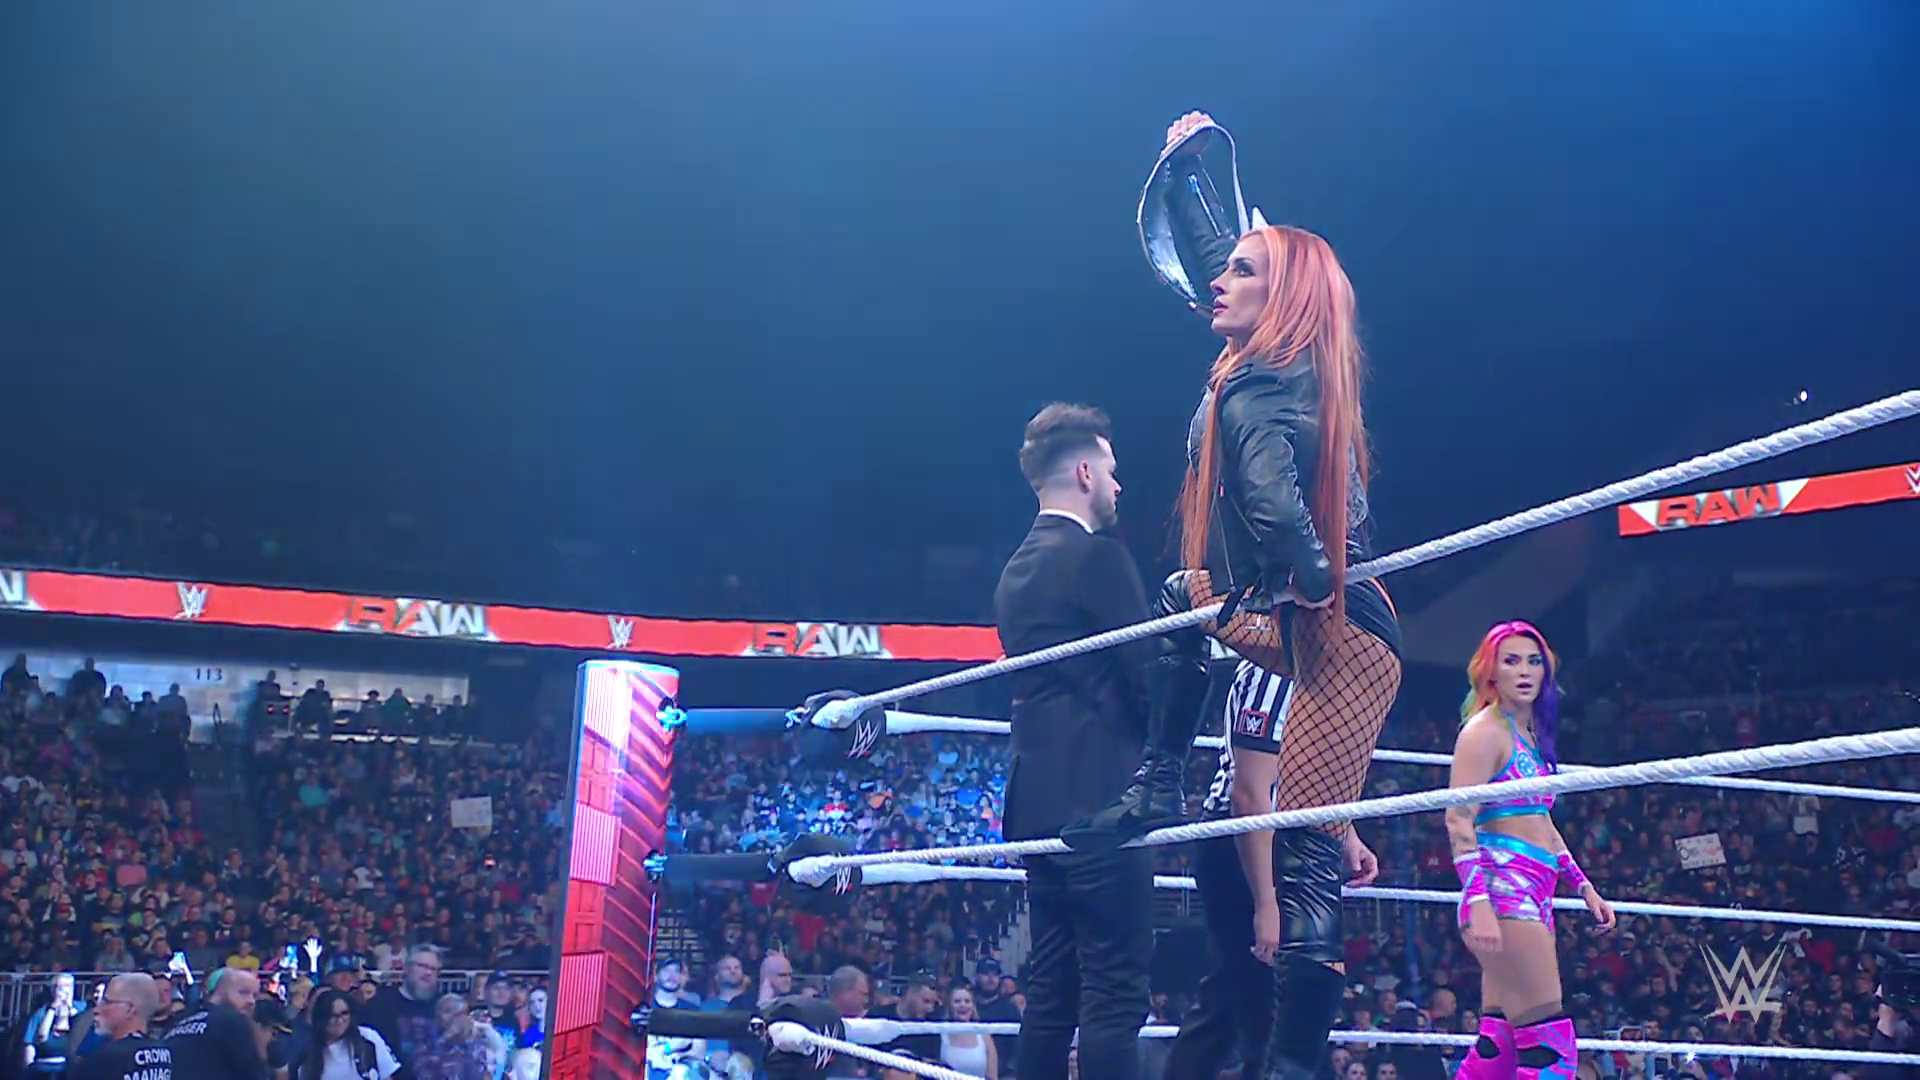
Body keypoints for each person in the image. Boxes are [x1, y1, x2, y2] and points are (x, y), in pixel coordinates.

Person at [1082, 110, 1408, 1080]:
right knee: (1182, 596)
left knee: (1306, 854)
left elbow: (1270, 497)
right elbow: (1232, 270)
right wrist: (1187, 175)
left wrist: (1308, 570)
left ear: (1284, 299)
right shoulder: (1269, 366)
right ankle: (1158, 780)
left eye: (1241, 274)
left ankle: (1297, 1066)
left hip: (1343, 632)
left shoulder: (1269, 383)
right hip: (1300, 618)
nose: (1217, 283)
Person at [993, 402, 1155, 1080]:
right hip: (1101, 799)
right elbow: (1147, 679)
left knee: (1053, 991)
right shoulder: (1097, 558)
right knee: (1115, 991)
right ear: (1085, 472)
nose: (1118, 484)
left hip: (1036, 801)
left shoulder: (1015, 570)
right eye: (1111, 470)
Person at [1446, 621, 1617, 1080]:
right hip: (1503, 895)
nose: (1524, 671)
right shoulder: (1484, 732)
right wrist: (1479, 901)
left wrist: (1583, 886)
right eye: (1511, 661)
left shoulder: (1531, 737)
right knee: (1549, 1051)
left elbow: (1542, 822)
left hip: (1531, 894)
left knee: (1498, 1046)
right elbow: (1458, 818)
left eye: (1533, 661)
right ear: (1490, 672)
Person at [163, 966, 270, 1080]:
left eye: (255, 996)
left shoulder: (178, 1021)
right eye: (243, 992)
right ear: (220, 992)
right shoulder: (233, 1020)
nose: (251, 1001)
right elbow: (252, 1074)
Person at [66, 974, 172, 1080]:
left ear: (130, 1009)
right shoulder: (164, 1053)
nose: (96, 1010)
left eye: (106, 1002)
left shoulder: (105, 1058)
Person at [293, 988, 400, 1080]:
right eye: (332, 1016)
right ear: (321, 1017)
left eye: (344, 1013)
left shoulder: (368, 1037)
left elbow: (387, 1076)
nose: (340, 1021)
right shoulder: (307, 1051)